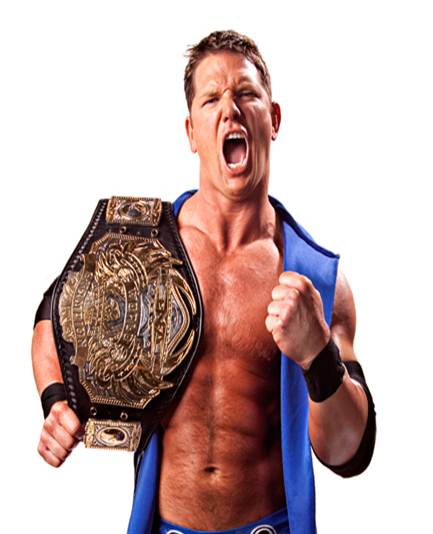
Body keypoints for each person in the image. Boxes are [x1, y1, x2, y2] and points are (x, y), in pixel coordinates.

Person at [32, 30, 376, 534]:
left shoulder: (318, 279)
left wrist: (317, 356)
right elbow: (52, 313)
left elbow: (349, 452)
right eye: (212, 99)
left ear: (273, 119)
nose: (229, 110)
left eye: (246, 94)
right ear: (192, 132)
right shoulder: (142, 248)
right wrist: (55, 399)